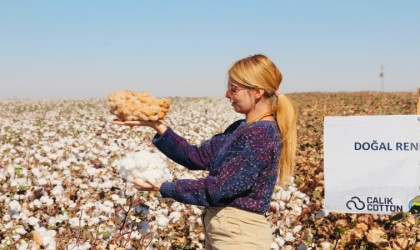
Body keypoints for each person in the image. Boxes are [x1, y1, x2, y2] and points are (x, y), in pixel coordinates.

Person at [113, 54, 298, 249]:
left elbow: (220, 188)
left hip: (239, 233)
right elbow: (196, 157)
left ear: (258, 92)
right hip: (228, 228)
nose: (228, 95)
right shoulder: (240, 128)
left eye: (234, 89)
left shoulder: (260, 134)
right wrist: (157, 126)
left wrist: (165, 187)